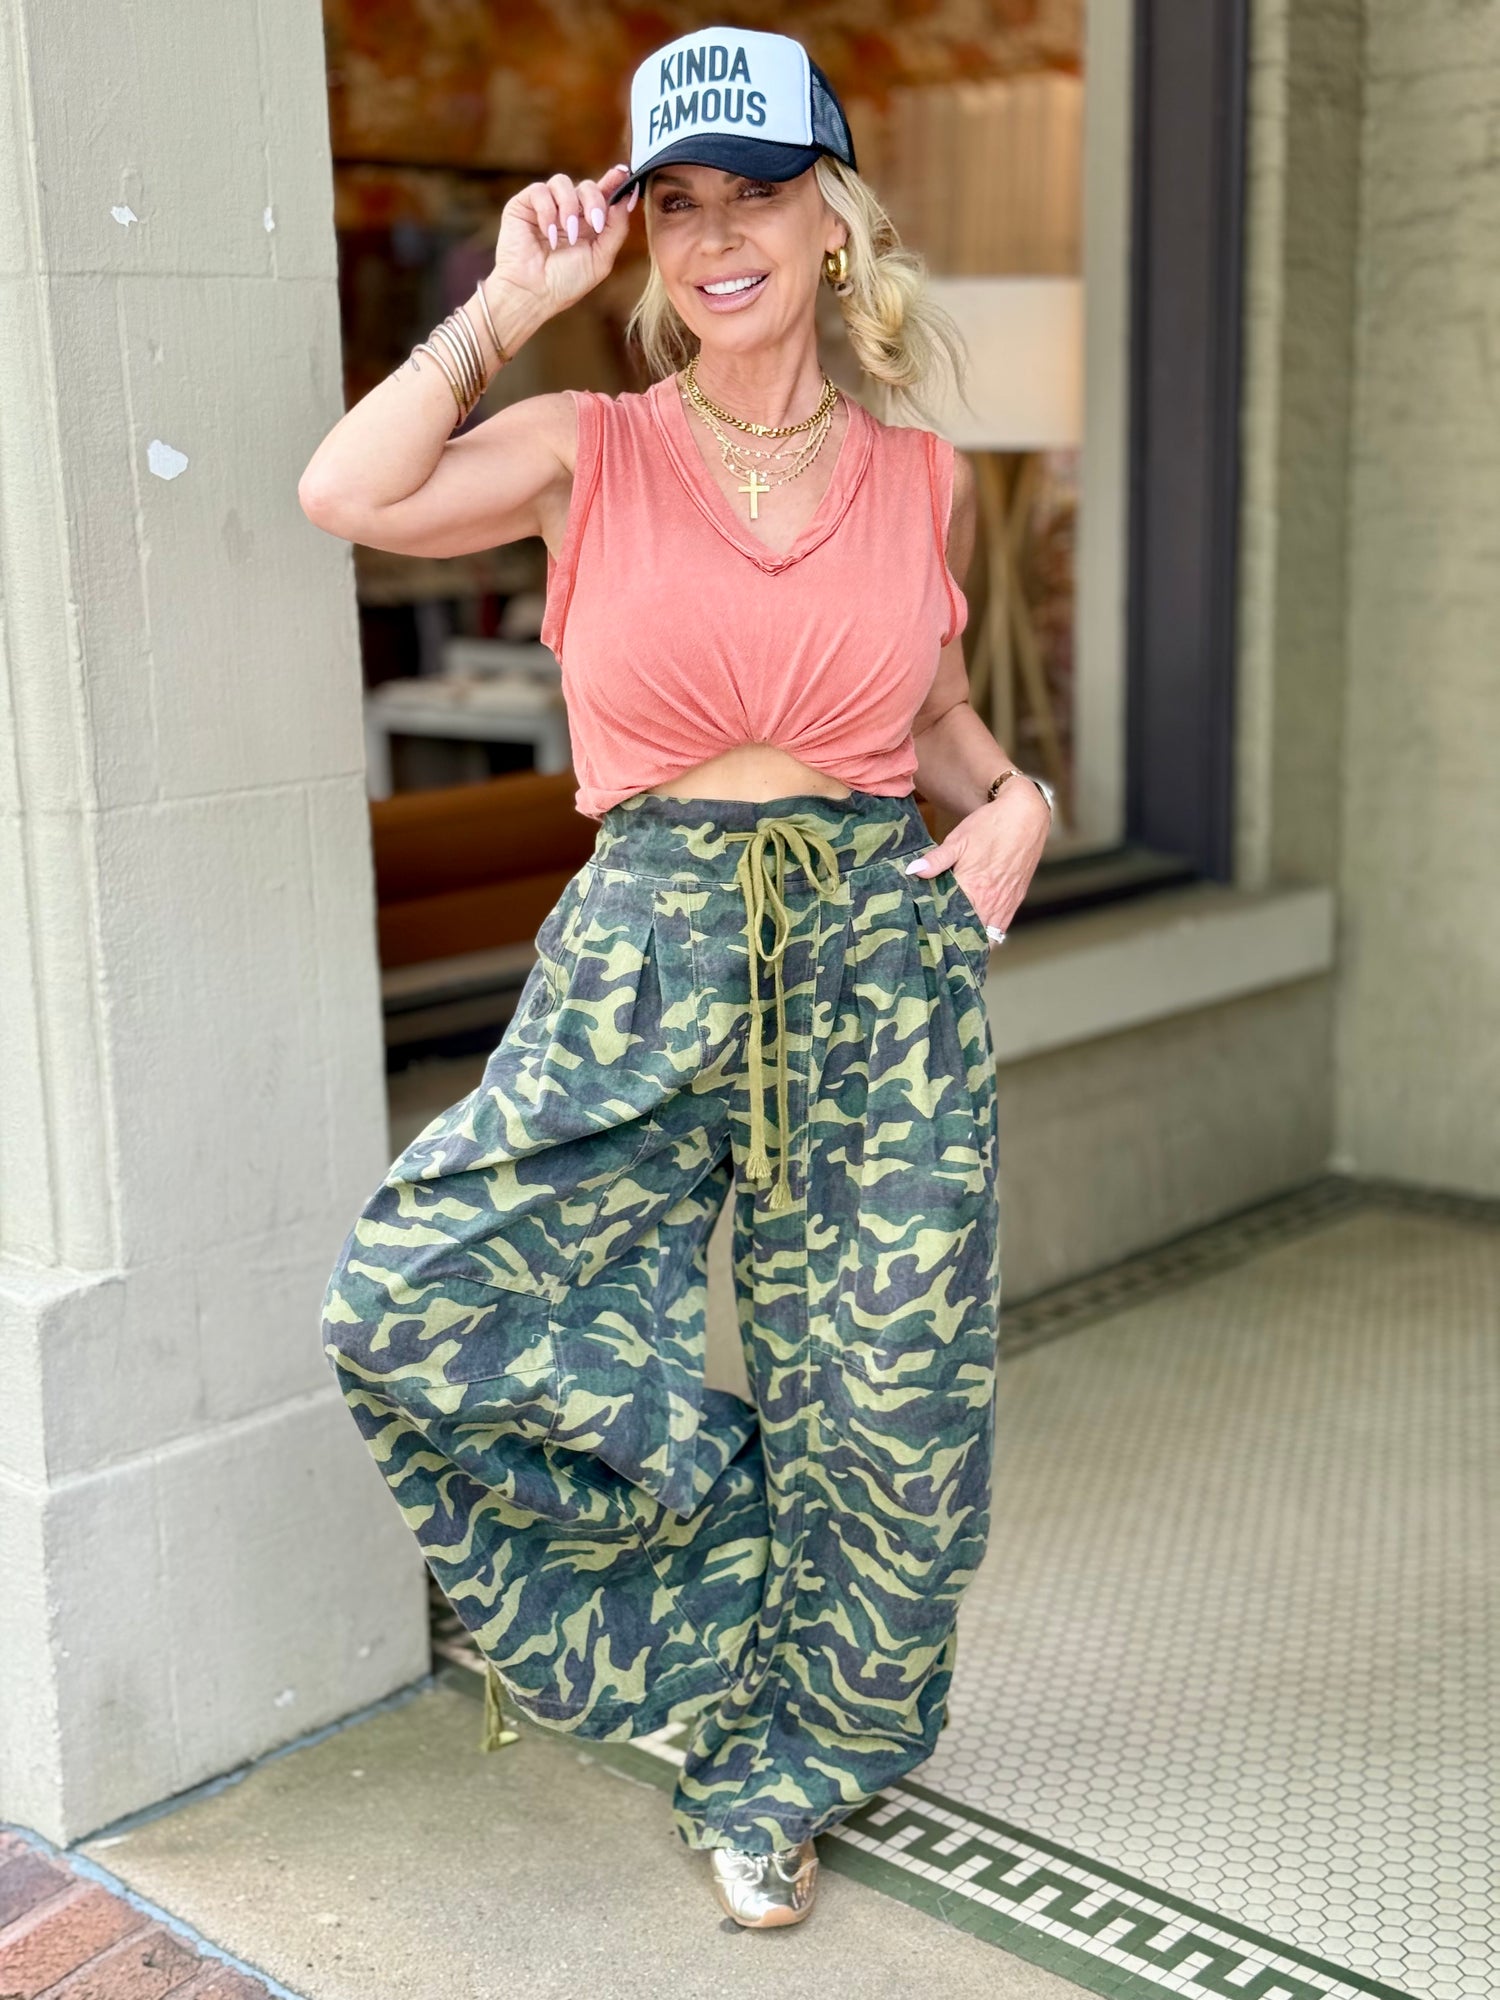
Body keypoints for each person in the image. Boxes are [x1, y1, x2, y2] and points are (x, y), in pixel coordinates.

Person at [299, 24, 1053, 1932]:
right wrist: (508, 303)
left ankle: (786, 1767)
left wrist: (1019, 801)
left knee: (889, 1407)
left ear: (831, 218)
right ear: (642, 237)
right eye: (678, 205)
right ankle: (737, 1586)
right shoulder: (591, 444)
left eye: (758, 195)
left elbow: (934, 714)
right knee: (420, 1296)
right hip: (646, 944)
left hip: (876, 959)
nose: (719, 238)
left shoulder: (920, 475)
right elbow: (347, 493)